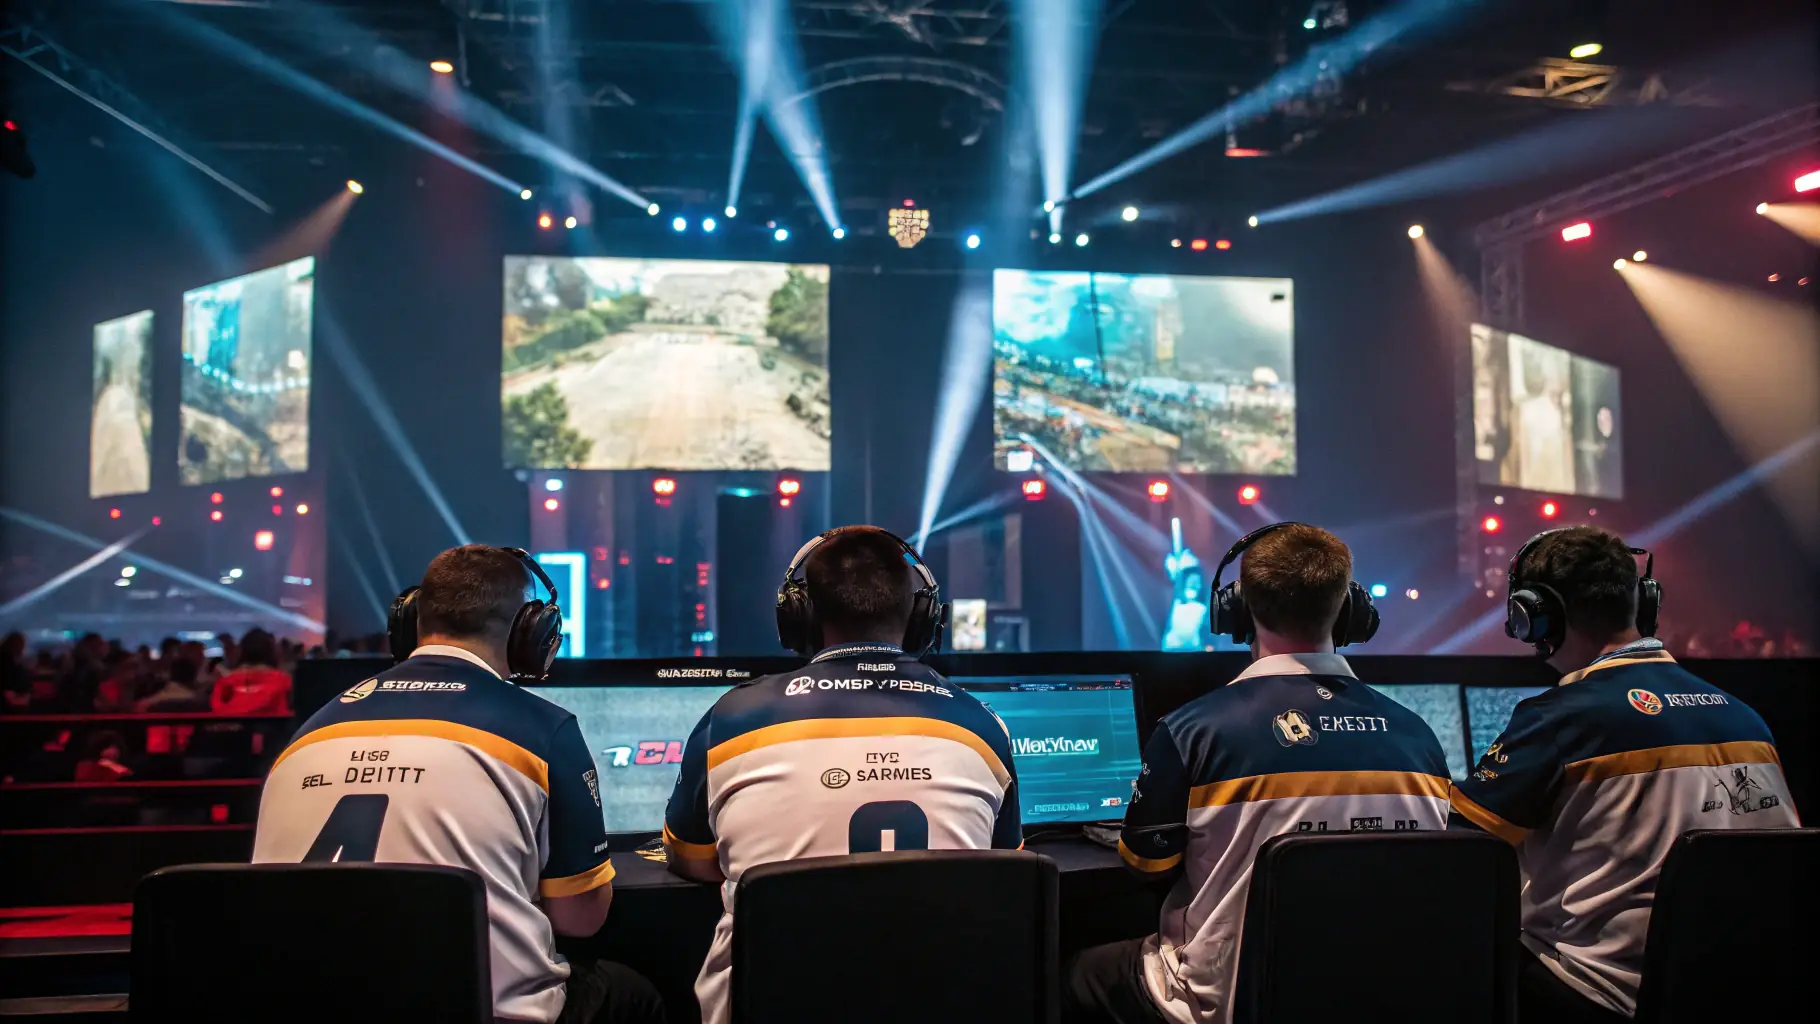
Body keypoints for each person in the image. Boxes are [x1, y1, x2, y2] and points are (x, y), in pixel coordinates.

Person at [252, 545, 663, 1024]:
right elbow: (581, 918)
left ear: (411, 622)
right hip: (481, 1010)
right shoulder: (542, 729)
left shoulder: (310, 732)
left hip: (305, 1008)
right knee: (633, 994)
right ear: (532, 632)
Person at [1065, 523, 1450, 1024]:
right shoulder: (1419, 737)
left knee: (1074, 970)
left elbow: (1145, 864)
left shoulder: (1191, 732)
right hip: (1380, 997)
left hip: (1223, 1003)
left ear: (1238, 610)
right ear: (1349, 610)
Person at [663, 526, 1021, 1024]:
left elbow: (693, 860)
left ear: (798, 618)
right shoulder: (983, 725)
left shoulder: (731, 719)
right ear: (922, 619)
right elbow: (1004, 870)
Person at [1450, 526, 1798, 1023]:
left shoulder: (1559, 718)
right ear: (1643, 603)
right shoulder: (1747, 719)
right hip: (1743, 989)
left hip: (1603, 995)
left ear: (1535, 615)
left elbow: (1459, 856)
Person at [209, 628, 292, 715]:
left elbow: (217, 709)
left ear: (242, 651)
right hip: (274, 727)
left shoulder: (224, 682)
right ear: (272, 651)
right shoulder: (283, 680)